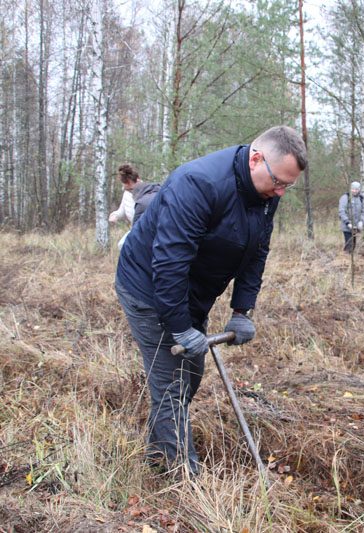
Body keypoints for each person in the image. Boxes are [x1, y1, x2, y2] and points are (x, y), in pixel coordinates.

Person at [115, 126, 307, 475]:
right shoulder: (198, 184)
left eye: (287, 186)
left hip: (191, 292)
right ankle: (181, 480)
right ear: (255, 158)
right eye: (279, 182)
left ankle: (159, 456)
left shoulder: (267, 194)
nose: (281, 191)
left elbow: (257, 252)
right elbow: (169, 262)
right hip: (147, 286)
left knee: (189, 376)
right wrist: (178, 327)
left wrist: (241, 310)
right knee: (172, 382)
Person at [109, 164, 141, 248]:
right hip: (135, 229)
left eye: (127, 184)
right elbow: (122, 211)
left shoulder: (147, 193)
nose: (125, 187)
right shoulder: (127, 193)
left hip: (146, 230)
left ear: (137, 180)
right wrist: (115, 215)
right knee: (122, 245)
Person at [338, 181, 364, 253]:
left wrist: (361, 222)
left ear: (359, 190)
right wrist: (348, 223)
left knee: (353, 245)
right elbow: (342, 211)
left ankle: (348, 259)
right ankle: (345, 259)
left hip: (356, 227)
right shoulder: (345, 197)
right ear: (350, 189)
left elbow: (363, 212)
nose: (354, 191)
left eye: (356, 189)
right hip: (347, 226)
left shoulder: (361, 198)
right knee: (349, 245)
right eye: (353, 189)